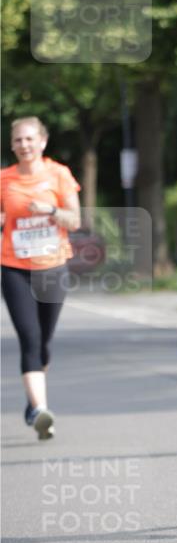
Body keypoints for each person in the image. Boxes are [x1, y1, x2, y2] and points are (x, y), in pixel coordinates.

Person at [1, 116, 81, 440]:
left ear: (42, 142)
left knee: (44, 341)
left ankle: (32, 402)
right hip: (13, 267)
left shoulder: (58, 174)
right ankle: (42, 410)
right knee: (30, 339)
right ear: (12, 144)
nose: (24, 145)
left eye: (30, 139)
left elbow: (74, 220)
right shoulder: (4, 179)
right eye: (18, 140)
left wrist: (49, 211)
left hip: (52, 265)